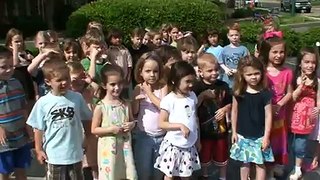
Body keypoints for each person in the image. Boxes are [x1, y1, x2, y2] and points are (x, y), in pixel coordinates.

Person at [27, 59, 92, 180]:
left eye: (66, 78)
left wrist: (87, 139)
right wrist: (38, 149)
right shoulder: (43, 102)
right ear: (48, 82)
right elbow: (38, 128)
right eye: (59, 80)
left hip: (75, 153)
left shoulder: (76, 98)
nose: (64, 83)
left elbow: (86, 119)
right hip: (54, 155)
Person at [154, 61, 201, 179]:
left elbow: (195, 119)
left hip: (189, 145)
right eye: (187, 82)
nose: (191, 85)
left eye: (192, 81)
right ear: (175, 81)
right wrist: (180, 126)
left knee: (186, 175)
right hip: (174, 145)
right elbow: (162, 123)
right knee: (170, 175)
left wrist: (198, 139)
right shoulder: (169, 100)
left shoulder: (192, 96)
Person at [230, 55, 274, 180]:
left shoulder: (265, 93)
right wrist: (234, 131)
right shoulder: (239, 92)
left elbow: (268, 115)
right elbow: (234, 112)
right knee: (244, 162)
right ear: (242, 75)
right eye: (249, 74)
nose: (253, 77)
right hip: (243, 134)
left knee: (260, 163)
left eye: (257, 73)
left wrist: (266, 136)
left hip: (260, 135)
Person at [91, 64, 137, 180]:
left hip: (124, 149)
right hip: (108, 152)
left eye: (120, 84)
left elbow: (132, 121)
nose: (117, 88)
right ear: (104, 85)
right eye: (112, 84)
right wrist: (111, 129)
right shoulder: (101, 107)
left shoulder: (126, 104)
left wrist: (131, 125)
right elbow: (94, 129)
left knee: (126, 174)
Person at [193, 53, 231, 180]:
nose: (214, 73)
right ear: (200, 72)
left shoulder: (223, 85)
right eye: (210, 70)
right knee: (204, 154)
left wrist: (225, 109)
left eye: (216, 70)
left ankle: (223, 176)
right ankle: (205, 175)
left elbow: (231, 103)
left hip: (221, 129)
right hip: (203, 130)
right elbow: (193, 107)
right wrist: (202, 96)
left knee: (222, 153)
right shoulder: (196, 87)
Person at [259, 36, 293, 179]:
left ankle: (273, 170)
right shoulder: (260, 72)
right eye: (275, 52)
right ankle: (260, 170)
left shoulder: (287, 72)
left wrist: (278, 105)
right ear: (267, 52)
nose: (278, 55)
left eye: (281, 52)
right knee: (262, 143)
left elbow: (289, 93)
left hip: (279, 117)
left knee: (277, 144)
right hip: (262, 117)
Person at [132, 52, 168, 179]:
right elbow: (135, 112)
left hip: (162, 136)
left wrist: (149, 93)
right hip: (144, 135)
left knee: (158, 172)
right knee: (144, 171)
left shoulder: (163, 87)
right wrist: (136, 101)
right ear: (141, 71)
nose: (152, 75)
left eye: (155, 71)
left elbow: (163, 106)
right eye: (148, 71)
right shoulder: (138, 88)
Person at [0, 46, 32, 180]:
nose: (9, 70)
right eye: (3, 67)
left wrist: (28, 126)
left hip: (20, 135)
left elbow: (23, 107)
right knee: (4, 171)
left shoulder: (16, 83)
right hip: (3, 140)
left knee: (21, 168)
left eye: (11, 66)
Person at [289, 48, 319, 180]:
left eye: (313, 62)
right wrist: (301, 85)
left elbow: (319, 98)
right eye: (306, 62)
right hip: (293, 115)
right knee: (291, 143)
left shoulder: (317, 81)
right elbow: (293, 97)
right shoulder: (295, 78)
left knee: (301, 144)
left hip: (307, 117)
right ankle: (284, 163)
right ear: (300, 63)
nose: (310, 65)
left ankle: (297, 169)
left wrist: (318, 108)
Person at [66, 62, 99, 180]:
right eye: (75, 79)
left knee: (93, 162)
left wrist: (89, 81)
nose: (79, 82)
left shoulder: (88, 92)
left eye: (81, 78)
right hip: (76, 133)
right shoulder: (68, 95)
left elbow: (99, 91)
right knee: (79, 165)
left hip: (90, 132)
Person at [5, 28, 36, 112]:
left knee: (31, 104)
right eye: (16, 42)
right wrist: (15, 50)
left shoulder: (26, 53)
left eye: (21, 41)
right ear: (10, 42)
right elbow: (14, 63)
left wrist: (31, 59)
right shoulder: (9, 54)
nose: (19, 44)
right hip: (17, 82)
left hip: (28, 82)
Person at [219, 23, 249, 88]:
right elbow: (220, 62)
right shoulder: (225, 49)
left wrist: (238, 70)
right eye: (232, 35)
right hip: (227, 79)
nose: (234, 37)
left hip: (239, 79)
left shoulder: (243, 49)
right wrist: (226, 69)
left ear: (239, 35)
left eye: (236, 35)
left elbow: (247, 63)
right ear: (228, 36)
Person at [106, 28, 133, 99]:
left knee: (125, 96)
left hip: (124, 78)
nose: (118, 39)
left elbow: (129, 64)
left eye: (120, 38)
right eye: (115, 38)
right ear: (110, 39)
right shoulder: (109, 51)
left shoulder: (125, 51)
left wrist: (128, 76)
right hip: (113, 78)